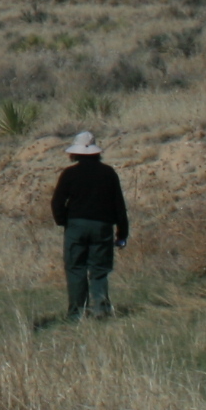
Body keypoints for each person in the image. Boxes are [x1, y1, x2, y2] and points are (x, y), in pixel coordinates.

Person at [49, 131, 129, 322]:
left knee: (76, 268)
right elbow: (119, 205)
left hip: (76, 225)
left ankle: (77, 313)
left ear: (75, 152)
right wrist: (122, 233)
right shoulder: (108, 173)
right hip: (102, 226)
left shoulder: (69, 173)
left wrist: (64, 221)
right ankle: (101, 310)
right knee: (99, 269)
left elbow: (57, 202)